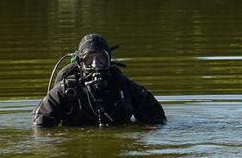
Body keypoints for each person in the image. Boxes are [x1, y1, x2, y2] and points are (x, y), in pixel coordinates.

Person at [33, 34, 166, 128]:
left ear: (109, 60)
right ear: (80, 62)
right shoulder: (66, 90)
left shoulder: (124, 87)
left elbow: (156, 116)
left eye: (101, 59)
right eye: (89, 60)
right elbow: (40, 125)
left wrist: (150, 129)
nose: (96, 65)